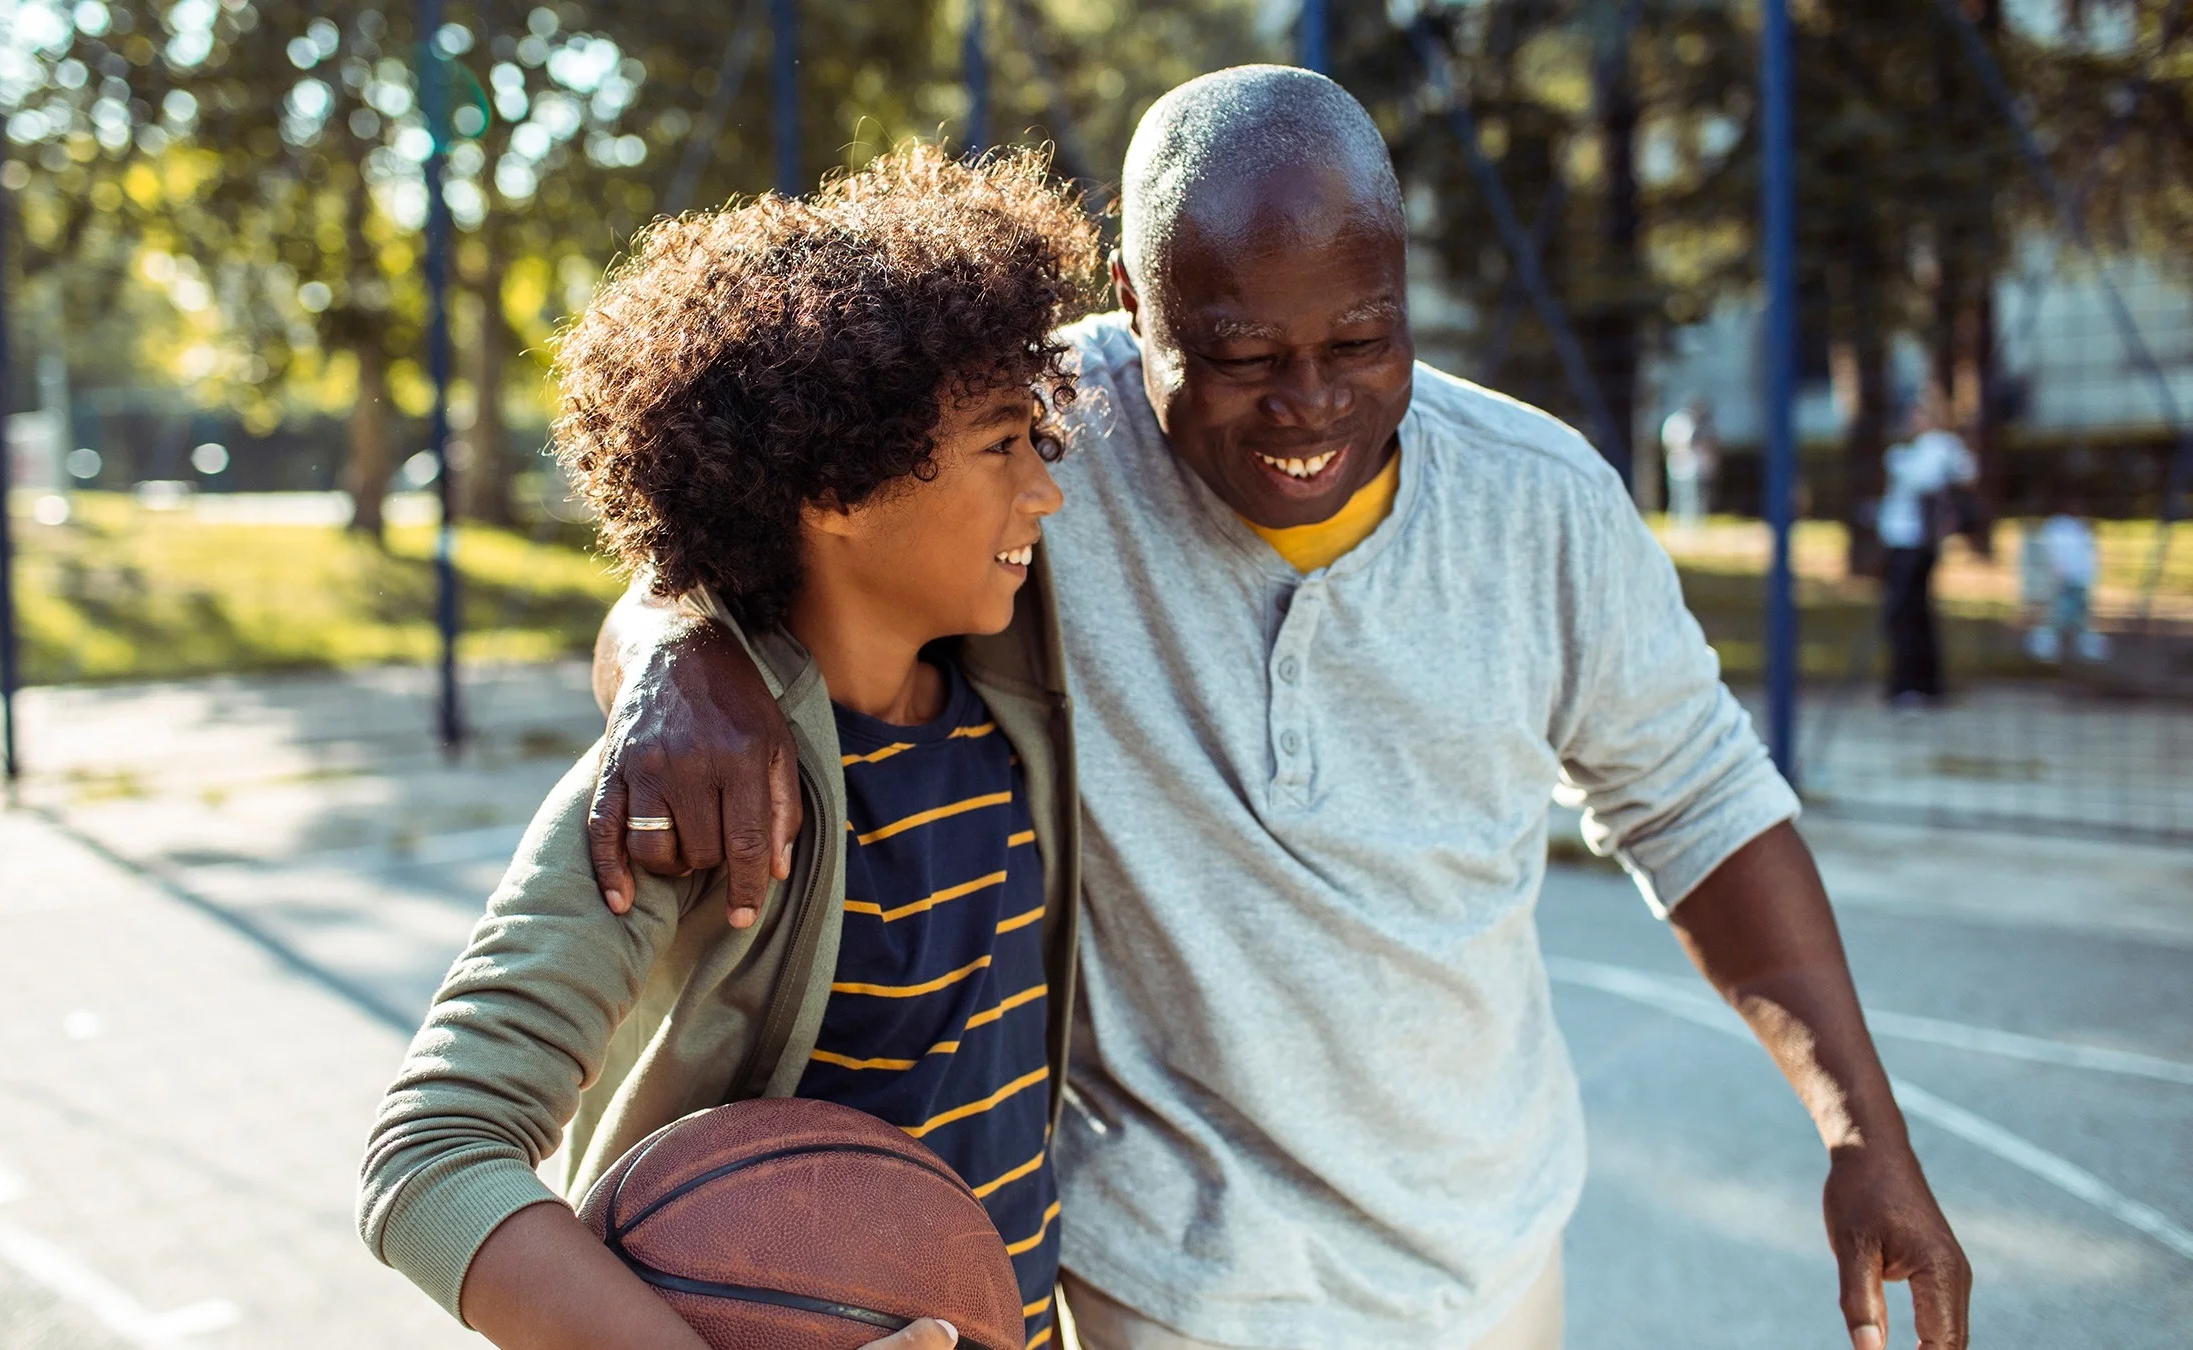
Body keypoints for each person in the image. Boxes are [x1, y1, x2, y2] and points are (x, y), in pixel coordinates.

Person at [588, 68, 1970, 1350]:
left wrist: (1863, 1130)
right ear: (1135, 301)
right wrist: (681, 647)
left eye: (1363, 339)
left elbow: (1701, 803)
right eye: (1243, 356)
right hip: (1177, 1275)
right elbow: (744, 544)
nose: (1310, 406)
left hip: (1488, 1255)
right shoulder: (1031, 459)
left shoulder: (1542, 505)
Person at [357, 145, 1099, 1350]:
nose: (1047, 493)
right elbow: (429, 1155)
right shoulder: (690, 792)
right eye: (1001, 445)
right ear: (837, 490)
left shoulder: (1008, 691)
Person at [1877, 399, 1980, 706]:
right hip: (1906, 541)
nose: (1913, 420)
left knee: (1906, 614)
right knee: (1915, 613)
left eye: (1918, 413)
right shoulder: (1930, 448)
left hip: (1913, 543)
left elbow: (1927, 480)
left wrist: (1898, 463)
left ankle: (1911, 686)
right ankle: (1923, 684)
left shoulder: (1937, 446)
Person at [2025, 494, 2105, 664]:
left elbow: (2087, 555)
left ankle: (2082, 650)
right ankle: (2045, 649)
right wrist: (2057, 575)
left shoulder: (2079, 528)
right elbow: (2053, 554)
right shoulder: (2057, 527)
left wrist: (2087, 576)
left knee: (2079, 618)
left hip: (2079, 580)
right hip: (2063, 580)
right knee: (2056, 617)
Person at [1660, 399, 1718, 531]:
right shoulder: (1683, 422)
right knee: (1680, 495)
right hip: (1680, 463)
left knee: (1688, 495)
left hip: (1686, 465)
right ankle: (1681, 523)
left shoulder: (1679, 422)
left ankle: (1689, 523)